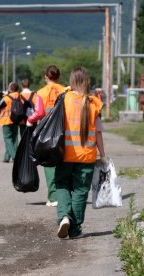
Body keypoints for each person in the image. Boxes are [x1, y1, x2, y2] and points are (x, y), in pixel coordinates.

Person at [53, 67, 106, 239]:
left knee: (62, 185)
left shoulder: (63, 99)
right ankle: (75, 229)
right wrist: (103, 155)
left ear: (72, 81)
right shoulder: (93, 103)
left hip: (65, 155)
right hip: (87, 157)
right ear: (87, 82)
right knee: (80, 191)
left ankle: (64, 217)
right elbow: (98, 133)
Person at [27, 65, 65, 207]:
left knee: (49, 164)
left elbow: (39, 113)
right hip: (63, 130)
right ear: (58, 77)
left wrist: (29, 121)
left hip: (46, 131)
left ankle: (53, 197)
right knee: (62, 162)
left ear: (46, 77)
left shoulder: (40, 93)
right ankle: (64, 194)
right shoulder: (65, 91)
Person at [0, 82, 20, 163]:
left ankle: (14, 156)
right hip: (16, 120)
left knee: (8, 139)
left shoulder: (5, 98)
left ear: (10, 89)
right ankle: (6, 157)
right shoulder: (19, 96)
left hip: (6, 120)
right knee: (14, 139)